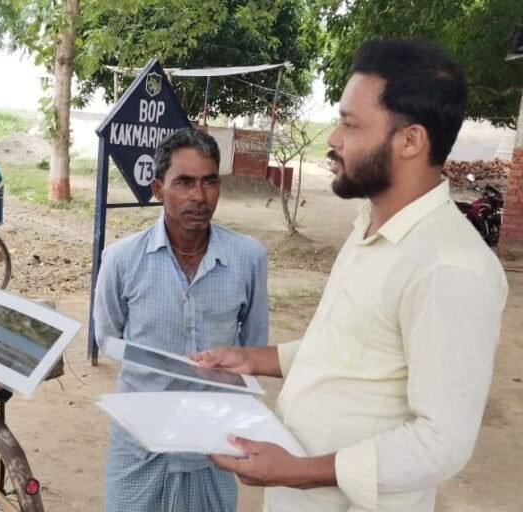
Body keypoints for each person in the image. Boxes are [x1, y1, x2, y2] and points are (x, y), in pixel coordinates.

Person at [190, 39, 508, 512]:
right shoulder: (371, 225)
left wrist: (300, 472)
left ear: (410, 140)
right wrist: (252, 359)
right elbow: (350, 351)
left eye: (350, 124)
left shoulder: (450, 268)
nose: (333, 140)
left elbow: (441, 442)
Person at [93, 127, 269, 511]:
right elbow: (109, 337)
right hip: (141, 441)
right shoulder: (123, 259)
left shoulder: (247, 258)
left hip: (213, 442)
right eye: (184, 182)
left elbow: (253, 350)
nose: (199, 196)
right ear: (158, 189)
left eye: (209, 182)